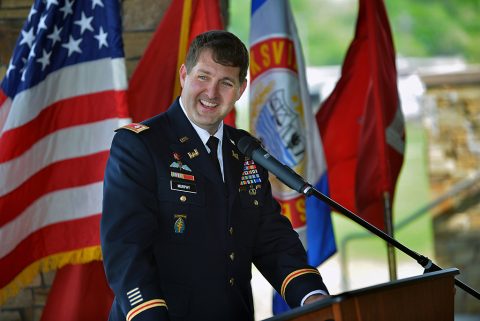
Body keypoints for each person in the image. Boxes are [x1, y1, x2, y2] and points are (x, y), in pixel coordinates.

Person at [101, 30, 329, 321]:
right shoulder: (140, 145)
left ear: (241, 89)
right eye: (203, 77)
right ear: (184, 75)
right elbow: (126, 248)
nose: (211, 93)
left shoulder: (246, 150)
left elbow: (271, 238)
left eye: (226, 82)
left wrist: (312, 295)